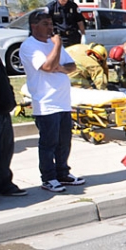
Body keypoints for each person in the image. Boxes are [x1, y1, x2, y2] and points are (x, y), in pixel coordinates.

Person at [21, 10, 85, 193]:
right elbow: (47, 66)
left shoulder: (52, 44)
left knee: (64, 141)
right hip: (46, 103)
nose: (51, 28)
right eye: (46, 24)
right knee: (48, 144)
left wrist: (58, 66)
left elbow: (72, 66)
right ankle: (48, 178)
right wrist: (56, 46)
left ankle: (63, 172)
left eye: (51, 24)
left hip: (63, 102)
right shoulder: (29, 46)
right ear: (34, 26)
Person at [0, 8, 27, 204]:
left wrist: (8, 98)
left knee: (4, 149)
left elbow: (3, 78)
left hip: (2, 110)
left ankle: (3, 183)